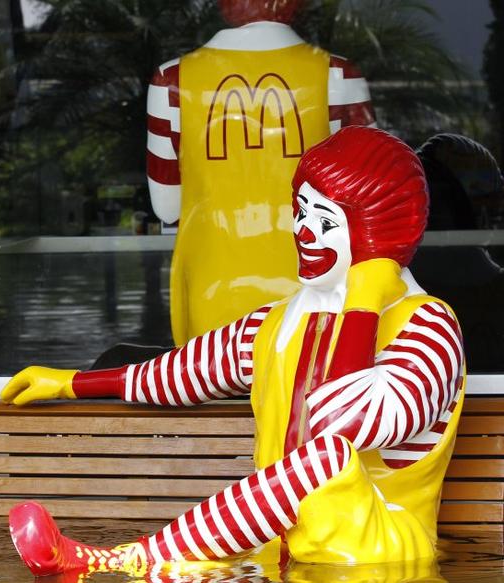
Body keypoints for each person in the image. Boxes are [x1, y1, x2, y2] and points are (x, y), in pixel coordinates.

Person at [2, 126, 465, 575]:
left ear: (378, 234)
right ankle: (134, 573)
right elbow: (182, 373)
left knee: (329, 461)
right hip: (275, 563)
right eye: (302, 210)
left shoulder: (428, 327)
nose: (304, 232)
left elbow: (342, 425)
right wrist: (71, 382)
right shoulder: (275, 323)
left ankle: (125, 562)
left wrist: (365, 299)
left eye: (326, 222)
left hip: (378, 569)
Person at [148, 0, 376, 345]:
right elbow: (372, 198)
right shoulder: (338, 74)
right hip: (318, 278)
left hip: (213, 281)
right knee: (305, 376)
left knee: (212, 374)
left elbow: (166, 207)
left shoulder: (173, 80)